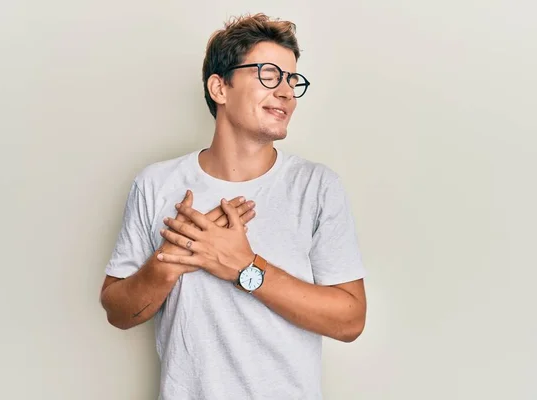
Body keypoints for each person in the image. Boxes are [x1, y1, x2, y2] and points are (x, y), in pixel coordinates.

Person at [100, 13, 367, 400]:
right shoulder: (155, 184)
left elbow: (350, 320)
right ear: (219, 88)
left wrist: (244, 266)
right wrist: (173, 256)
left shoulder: (317, 187)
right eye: (269, 74)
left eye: (293, 80)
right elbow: (118, 312)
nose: (287, 92)